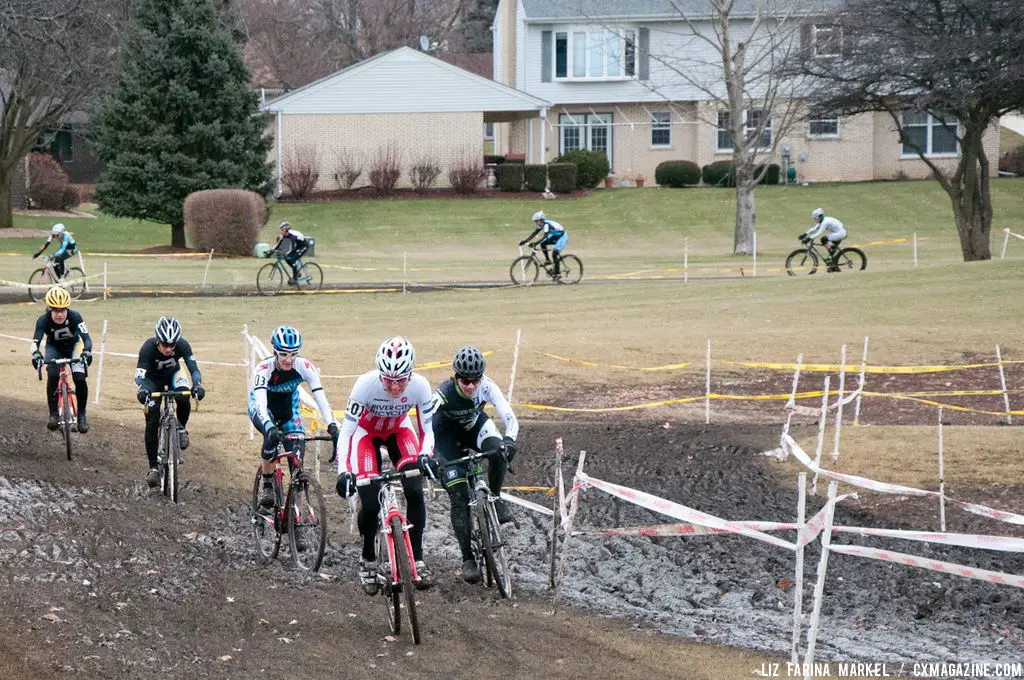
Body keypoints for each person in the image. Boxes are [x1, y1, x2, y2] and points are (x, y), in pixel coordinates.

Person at [334, 336, 437, 594]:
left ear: (410, 375)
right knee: (369, 502)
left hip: (399, 431)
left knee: (414, 490)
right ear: (380, 375)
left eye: (401, 380)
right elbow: (346, 433)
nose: (394, 387)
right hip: (365, 435)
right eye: (388, 380)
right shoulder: (365, 386)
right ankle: (368, 557)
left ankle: (418, 558)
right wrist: (343, 472)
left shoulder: (421, 387)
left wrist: (425, 455)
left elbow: (427, 430)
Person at [431, 345, 519, 584]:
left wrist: (509, 440)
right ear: (455, 376)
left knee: (499, 451)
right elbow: (423, 420)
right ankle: (467, 558)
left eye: (475, 380)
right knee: (458, 495)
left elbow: (509, 416)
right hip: (445, 438)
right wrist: (426, 453)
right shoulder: (443, 392)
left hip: (473, 428)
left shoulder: (488, 386)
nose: (470, 386)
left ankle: (496, 498)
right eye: (465, 380)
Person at [248, 325, 340, 512]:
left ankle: (297, 517)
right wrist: (269, 427)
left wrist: (332, 426)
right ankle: (267, 484)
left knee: (297, 466)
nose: (289, 360)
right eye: (283, 354)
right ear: (275, 351)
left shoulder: (304, 366)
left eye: (293, 354)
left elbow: (320, 398)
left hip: (288, 409)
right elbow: (260, 404)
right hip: (263, 407)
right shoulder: (263, 369)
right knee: (270, 437)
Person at [134, 316, 206, 488]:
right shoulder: (148, 348)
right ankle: (153, 468)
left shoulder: (182, 345)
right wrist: (143, 390)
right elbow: (140, 376)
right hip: (151, 381)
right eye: (165, 344)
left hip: (174, 375)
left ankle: (181, 427)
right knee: (152, 420)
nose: (168, 348)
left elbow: (194, 369)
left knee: (184, 395)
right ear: (158, 340)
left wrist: (197, 385)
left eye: (172, 345)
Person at [31, 285, 93, 433]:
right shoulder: (43, 320)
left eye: (63, 310)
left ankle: (82, 415)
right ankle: (53, 414)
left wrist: (86, 351)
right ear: (50, 309)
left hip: (74, 347)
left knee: (79, 377)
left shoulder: (76, 316)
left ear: (67, 309)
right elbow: (35, 342)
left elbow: (87, 339)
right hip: (54, 348)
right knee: (52, 375)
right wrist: (36, 354)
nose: (60, 314)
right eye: (56, 310)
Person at [519, 210, 568, 279]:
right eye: (535, 221)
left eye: (536, 221)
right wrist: (524, 241)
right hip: (556, 236)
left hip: (562, 237)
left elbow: (545, 236)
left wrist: (535, 243)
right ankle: (548, 260)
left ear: (541, 220)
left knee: (554, 254)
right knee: (543, 243)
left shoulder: (547, 225)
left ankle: (557, 273)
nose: (535, 223)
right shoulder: (542, 224)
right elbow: (534, 234)